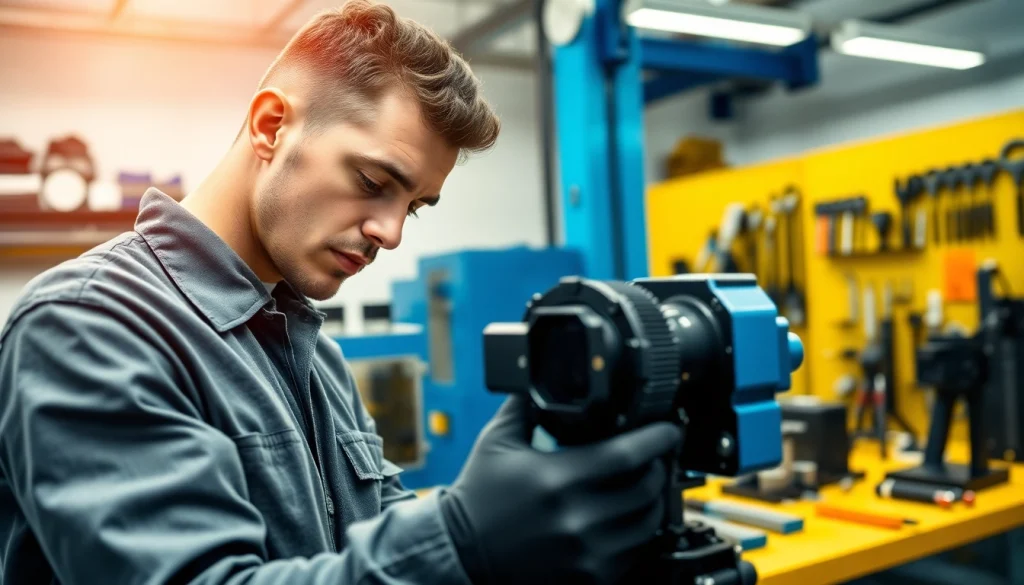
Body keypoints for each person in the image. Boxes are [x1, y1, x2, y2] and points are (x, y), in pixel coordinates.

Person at [0, 2, 680, 584]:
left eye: (414, 205)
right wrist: (463, 539)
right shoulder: (89, 325)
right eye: (373, 181)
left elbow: (378, 530)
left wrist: (522, 525)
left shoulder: (309, 348)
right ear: (271, 127)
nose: (390, 233)